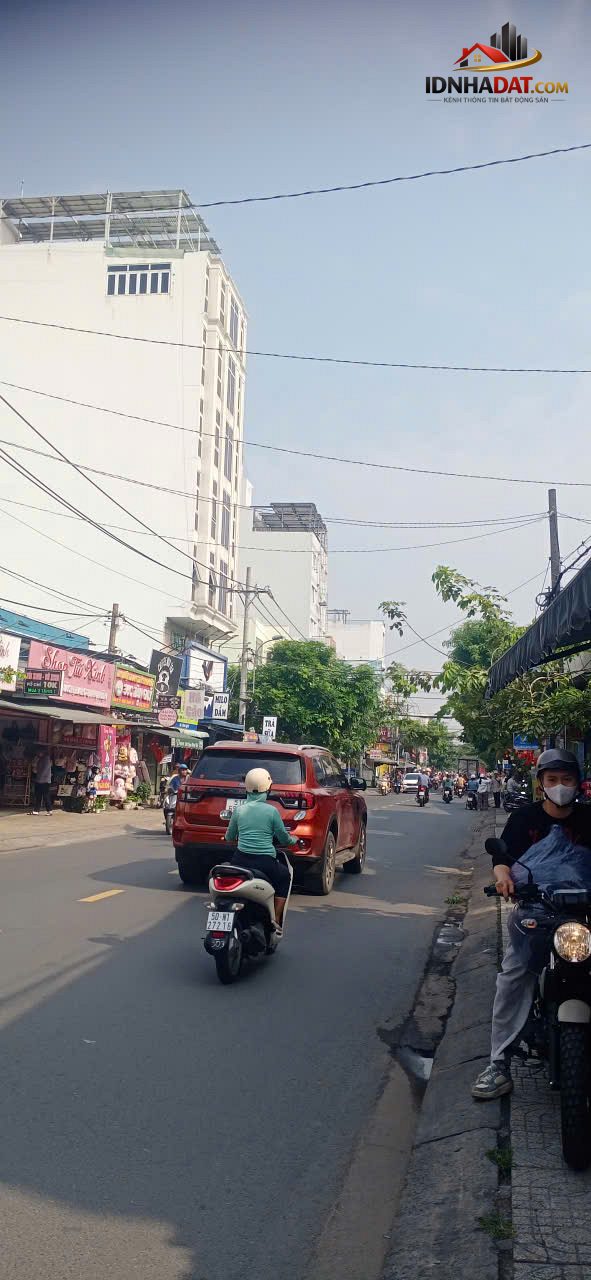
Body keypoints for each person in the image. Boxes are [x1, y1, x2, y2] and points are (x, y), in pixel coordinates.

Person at [472, 749, 591, 1100]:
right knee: (513, 975)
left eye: (566, 779)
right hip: (537, 909)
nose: (560, 786)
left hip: (584, 910)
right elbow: (501, 858)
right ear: (541, 784)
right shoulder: (524, 818)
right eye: (552, 780)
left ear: (577, 783)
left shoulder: (588, 818)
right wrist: (504, 878)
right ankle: (499, 1063)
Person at [224, 767, 297, 935]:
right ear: (267, 788)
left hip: (240, 860)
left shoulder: (239, 810)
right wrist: (293, 840)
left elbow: (229, 837)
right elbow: (284, 838)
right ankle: (275, 920)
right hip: (265, 863)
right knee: (284, 877)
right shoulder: (272, 811)